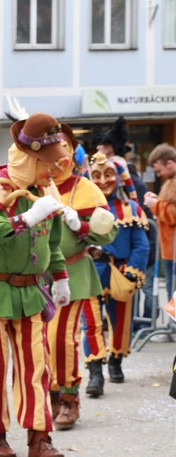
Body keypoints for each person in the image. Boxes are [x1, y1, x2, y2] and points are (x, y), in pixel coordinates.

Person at [0, 113, 71, 457]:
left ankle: (40, 439)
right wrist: (26, 218)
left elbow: (52, 241)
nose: (52, 173)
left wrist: (60, 275)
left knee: (37, 367)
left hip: (30, 291)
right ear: (29, 158)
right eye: (47, 164)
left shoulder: (44, 190)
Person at [45, 146, 116, 429]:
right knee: (39, 341)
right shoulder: (36, 182)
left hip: (72, 272)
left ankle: (67, 398)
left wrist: (81, 226)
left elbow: (108, 231)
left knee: (60, 337)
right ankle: (48, 395)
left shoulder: (85, 187)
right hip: (36, 275)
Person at [80, 152, 149, 397]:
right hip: (91, 270)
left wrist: (132, 272)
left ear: (118, 178)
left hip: (120, 270)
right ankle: (95, 372)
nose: (103, 180)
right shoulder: (83, 207)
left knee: (120, 321)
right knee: (90, 323)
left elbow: (141, 244)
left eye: (108, 174)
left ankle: (116, 360)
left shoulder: (131, 208)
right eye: (96, 175)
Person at [144, 143, 176, 305]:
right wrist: (157, 200)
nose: (158, 175)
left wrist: (154, 204)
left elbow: (173, 213)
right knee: (172, 292)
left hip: (174, 249)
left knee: (174, 291)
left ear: (169, 163)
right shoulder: (171, 182)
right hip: (170, 250)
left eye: (159, 170)